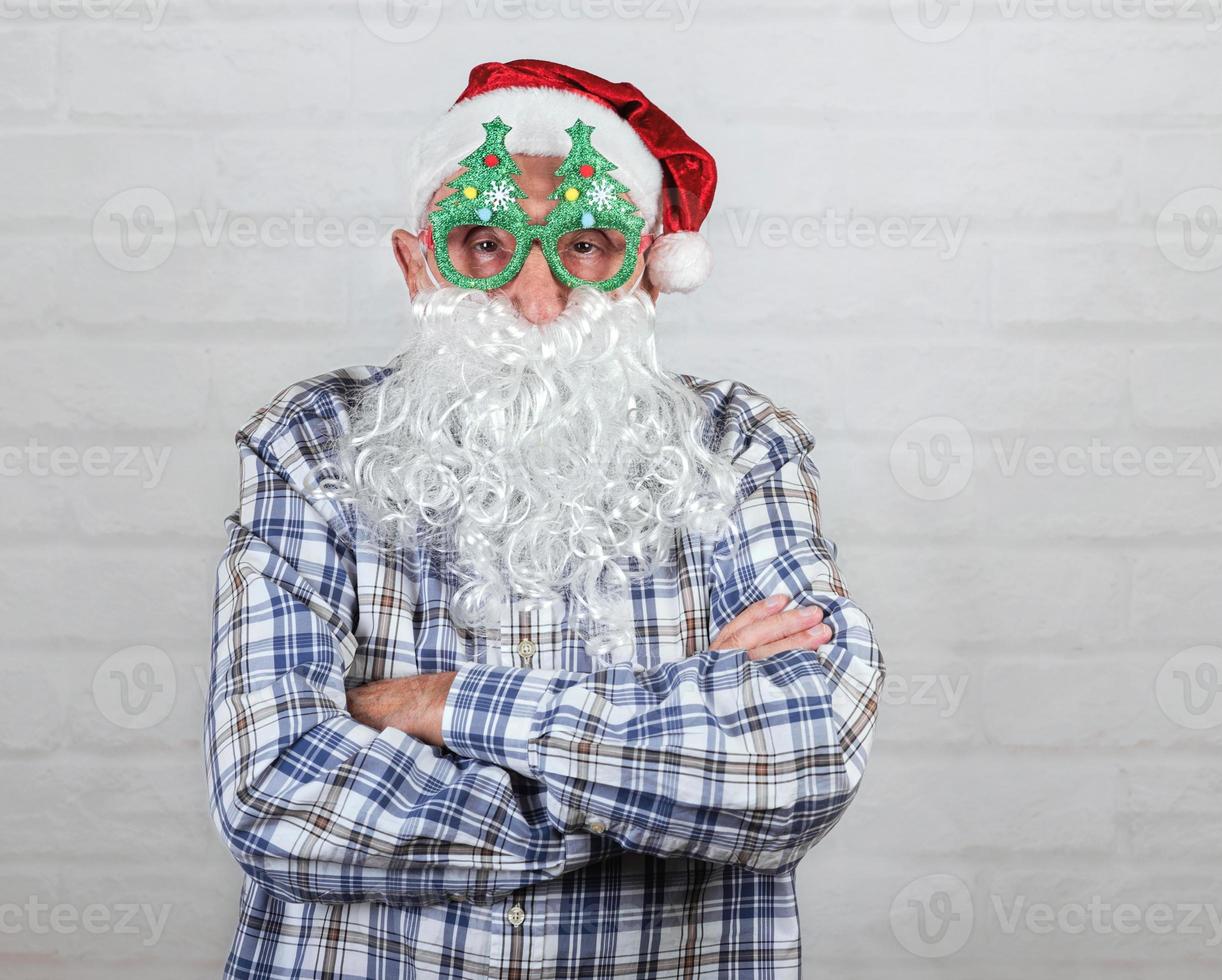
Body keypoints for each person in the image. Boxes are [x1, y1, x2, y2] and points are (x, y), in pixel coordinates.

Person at [203, 58, 885, 979]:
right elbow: (277, 802)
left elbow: (798, 767)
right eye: (483, 243)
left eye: (586, 244)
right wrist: (660, 787)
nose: (537, 302)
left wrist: (439, 704)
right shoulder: (313, 445)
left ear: (647, 270)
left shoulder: (742, 445)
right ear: (417, 266)